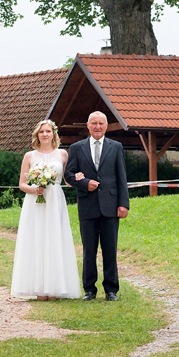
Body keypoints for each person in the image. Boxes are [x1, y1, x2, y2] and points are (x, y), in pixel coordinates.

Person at [11, 119, 81, 300]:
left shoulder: (63, 155)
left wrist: (79, 177)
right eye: (41, 132)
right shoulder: (29, 156)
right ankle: (39, 288)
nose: (45, 134)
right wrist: (34, 189)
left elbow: (67, 180)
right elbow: (21, 184)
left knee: (54, 239)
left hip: (55, 200)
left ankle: (55, 287)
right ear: (37, 135)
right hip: (35, 201)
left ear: (53, 134)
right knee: (37, 240)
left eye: (48, 131)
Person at [65, 111, 130, 301]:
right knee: (89, 250)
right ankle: (89, 290)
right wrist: (85, 183)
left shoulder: (116, 147)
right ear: (88, 125)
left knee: (110, 250)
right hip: (88, 206)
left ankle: (111, 290)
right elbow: (69, 175)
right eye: (94, 123)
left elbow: (121, 177)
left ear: (106, 126)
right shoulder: (77, 148)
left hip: (111, 206)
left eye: (101, 123)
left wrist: (123, 204)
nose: (97, 127)